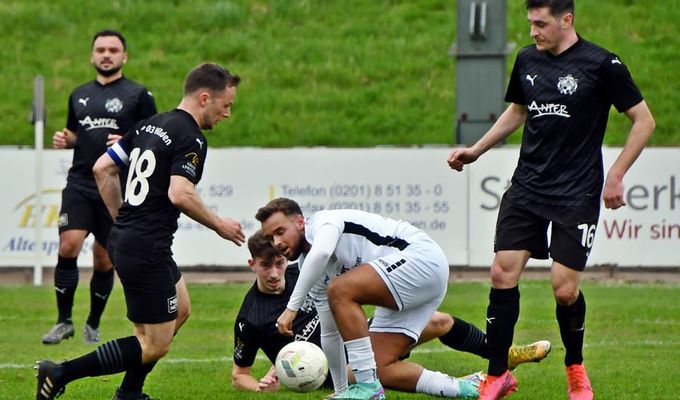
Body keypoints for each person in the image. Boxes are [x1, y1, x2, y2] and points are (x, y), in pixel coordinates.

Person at [446, 1, 655, 399]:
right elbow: (518, 111)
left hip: (577, 191)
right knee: (501, 273)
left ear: (566, 20)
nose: (532, 32)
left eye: (540, 24)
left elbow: (644, 120)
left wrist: (617, 174)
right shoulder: (527, 59)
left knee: (564, 289)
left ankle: (575, 368)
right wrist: (476, 150)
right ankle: (496, 375)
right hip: (527, 187)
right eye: (530, 23)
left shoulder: (602, 64)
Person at [35, 62, 246, 400]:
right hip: (147, 248)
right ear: (205, 98)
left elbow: (102, 168)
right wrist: (220, 225)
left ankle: (130, 392)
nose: (228, 114)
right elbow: (181, 193)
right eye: (226, 105)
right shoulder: (191, 136)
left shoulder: (150, 124)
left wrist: (123, 217)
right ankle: (60, 372)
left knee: (180, 311)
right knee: (153, 344)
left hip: (130, 239)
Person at [233, 230, 552, 394]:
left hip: (358, 336)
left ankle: (502, 355)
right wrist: (261, 386)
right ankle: (471, 386)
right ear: (252, 265)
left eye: (279, 263)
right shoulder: (251, 317)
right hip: (332, 370)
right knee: (371, 371)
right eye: (266, 266)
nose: (275, 272)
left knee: (439, 320)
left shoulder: (300, 275)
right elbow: (239, 376)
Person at [43, 29, 157, 345]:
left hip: (115, 186)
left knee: (104, 260)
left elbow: (155, 140)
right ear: (93, 55)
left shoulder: (139, 94)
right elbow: (76, 134)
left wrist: (130, 143)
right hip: (80, 182)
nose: (106, 55)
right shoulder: (78, 94)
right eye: (101, 50)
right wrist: (67, 140)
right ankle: (63, 321)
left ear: (124, 57)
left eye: (113, 50)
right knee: (69, 244)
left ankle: (92, 323)